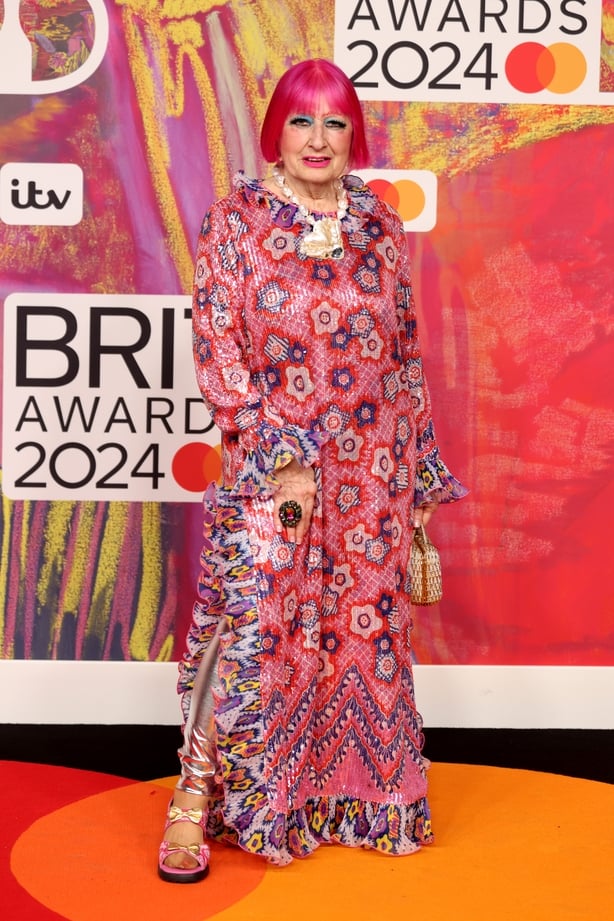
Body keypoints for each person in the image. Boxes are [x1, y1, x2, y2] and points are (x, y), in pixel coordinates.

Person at [158, 57, 467, 882]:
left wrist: (419, 476)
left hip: (372, 474)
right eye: (302, 120)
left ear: (353, 134)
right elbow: (218, 349)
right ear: (277, 132)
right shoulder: (236, 222)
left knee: (359, 635)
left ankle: (341, 798)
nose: (319, 138)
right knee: (249, 628)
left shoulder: (379, 224)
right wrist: (280, 455)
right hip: (275, 471)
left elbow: (404, 355)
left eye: (335, 122)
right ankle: (193, 795)